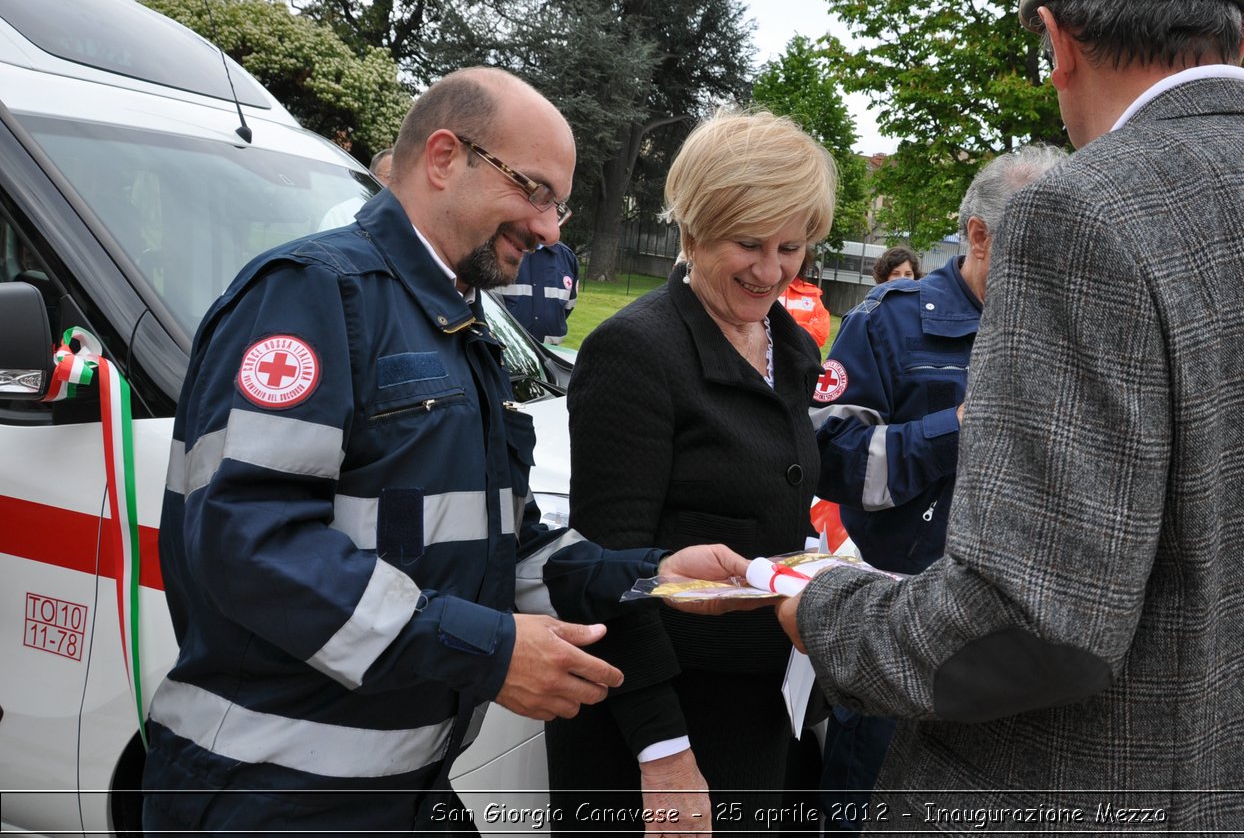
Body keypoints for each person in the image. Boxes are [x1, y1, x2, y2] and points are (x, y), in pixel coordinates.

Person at [778, 0, 1244, 832]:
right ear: (1240, 33)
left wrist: (824, 604)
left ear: (1059, 37)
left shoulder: (1078, 214)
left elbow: (1027, 619)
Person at [142, 68, 749, 833]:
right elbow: (252, 545)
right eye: (534, 191)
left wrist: (652, 576)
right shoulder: (313, 293)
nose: (551, 228)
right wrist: (490, 654)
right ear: (442, 158)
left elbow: (501, 547)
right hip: (272, 792)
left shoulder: (456, 319)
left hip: (397, 788)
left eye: (558, 204)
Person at [546, 109, 835, 833]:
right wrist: (663, 751)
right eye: (748, 242)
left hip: (758, 708)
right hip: (657, 725)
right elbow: (604, 572)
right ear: (694, 228)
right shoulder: (636, 351)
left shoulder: (789, 348)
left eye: (791, 246)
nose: (771, 269)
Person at [810, 144, 1064, 830]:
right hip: (902, 624)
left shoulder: (1065, 327)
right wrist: (959, 426)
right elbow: (832, 463)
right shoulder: (887, 320)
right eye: (1035, 245)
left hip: (1017, 646)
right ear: (979, 235)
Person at [498, 241, 581, 344]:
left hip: (549, 351)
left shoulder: (567, 257)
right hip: (505, 347)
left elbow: (567, 307)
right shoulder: (498, 248)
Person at [780, 247, 832, 349]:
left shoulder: (811, 295)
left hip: (800, 360)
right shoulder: (761, 290)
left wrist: (785, 329)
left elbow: (821, 334)